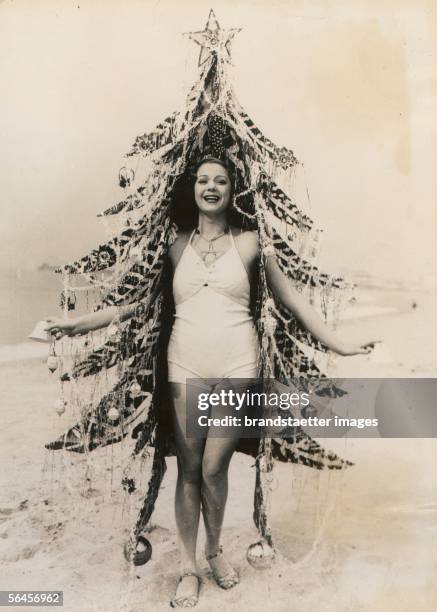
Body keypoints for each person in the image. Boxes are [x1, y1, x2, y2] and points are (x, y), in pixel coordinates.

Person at [45, 157, 378, 608]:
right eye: (203, 180)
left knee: (213, 468)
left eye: (220, 180)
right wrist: (78, 325)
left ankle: (214, 551)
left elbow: (294, 300)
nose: (211, 187)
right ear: (193, 189)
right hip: (184, 364)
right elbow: (132, 304)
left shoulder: (252, 244)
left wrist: (340, 345)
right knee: (188, 470)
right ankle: (188, 568)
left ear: (231, 190)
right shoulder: (176, 247)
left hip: (236, 365)